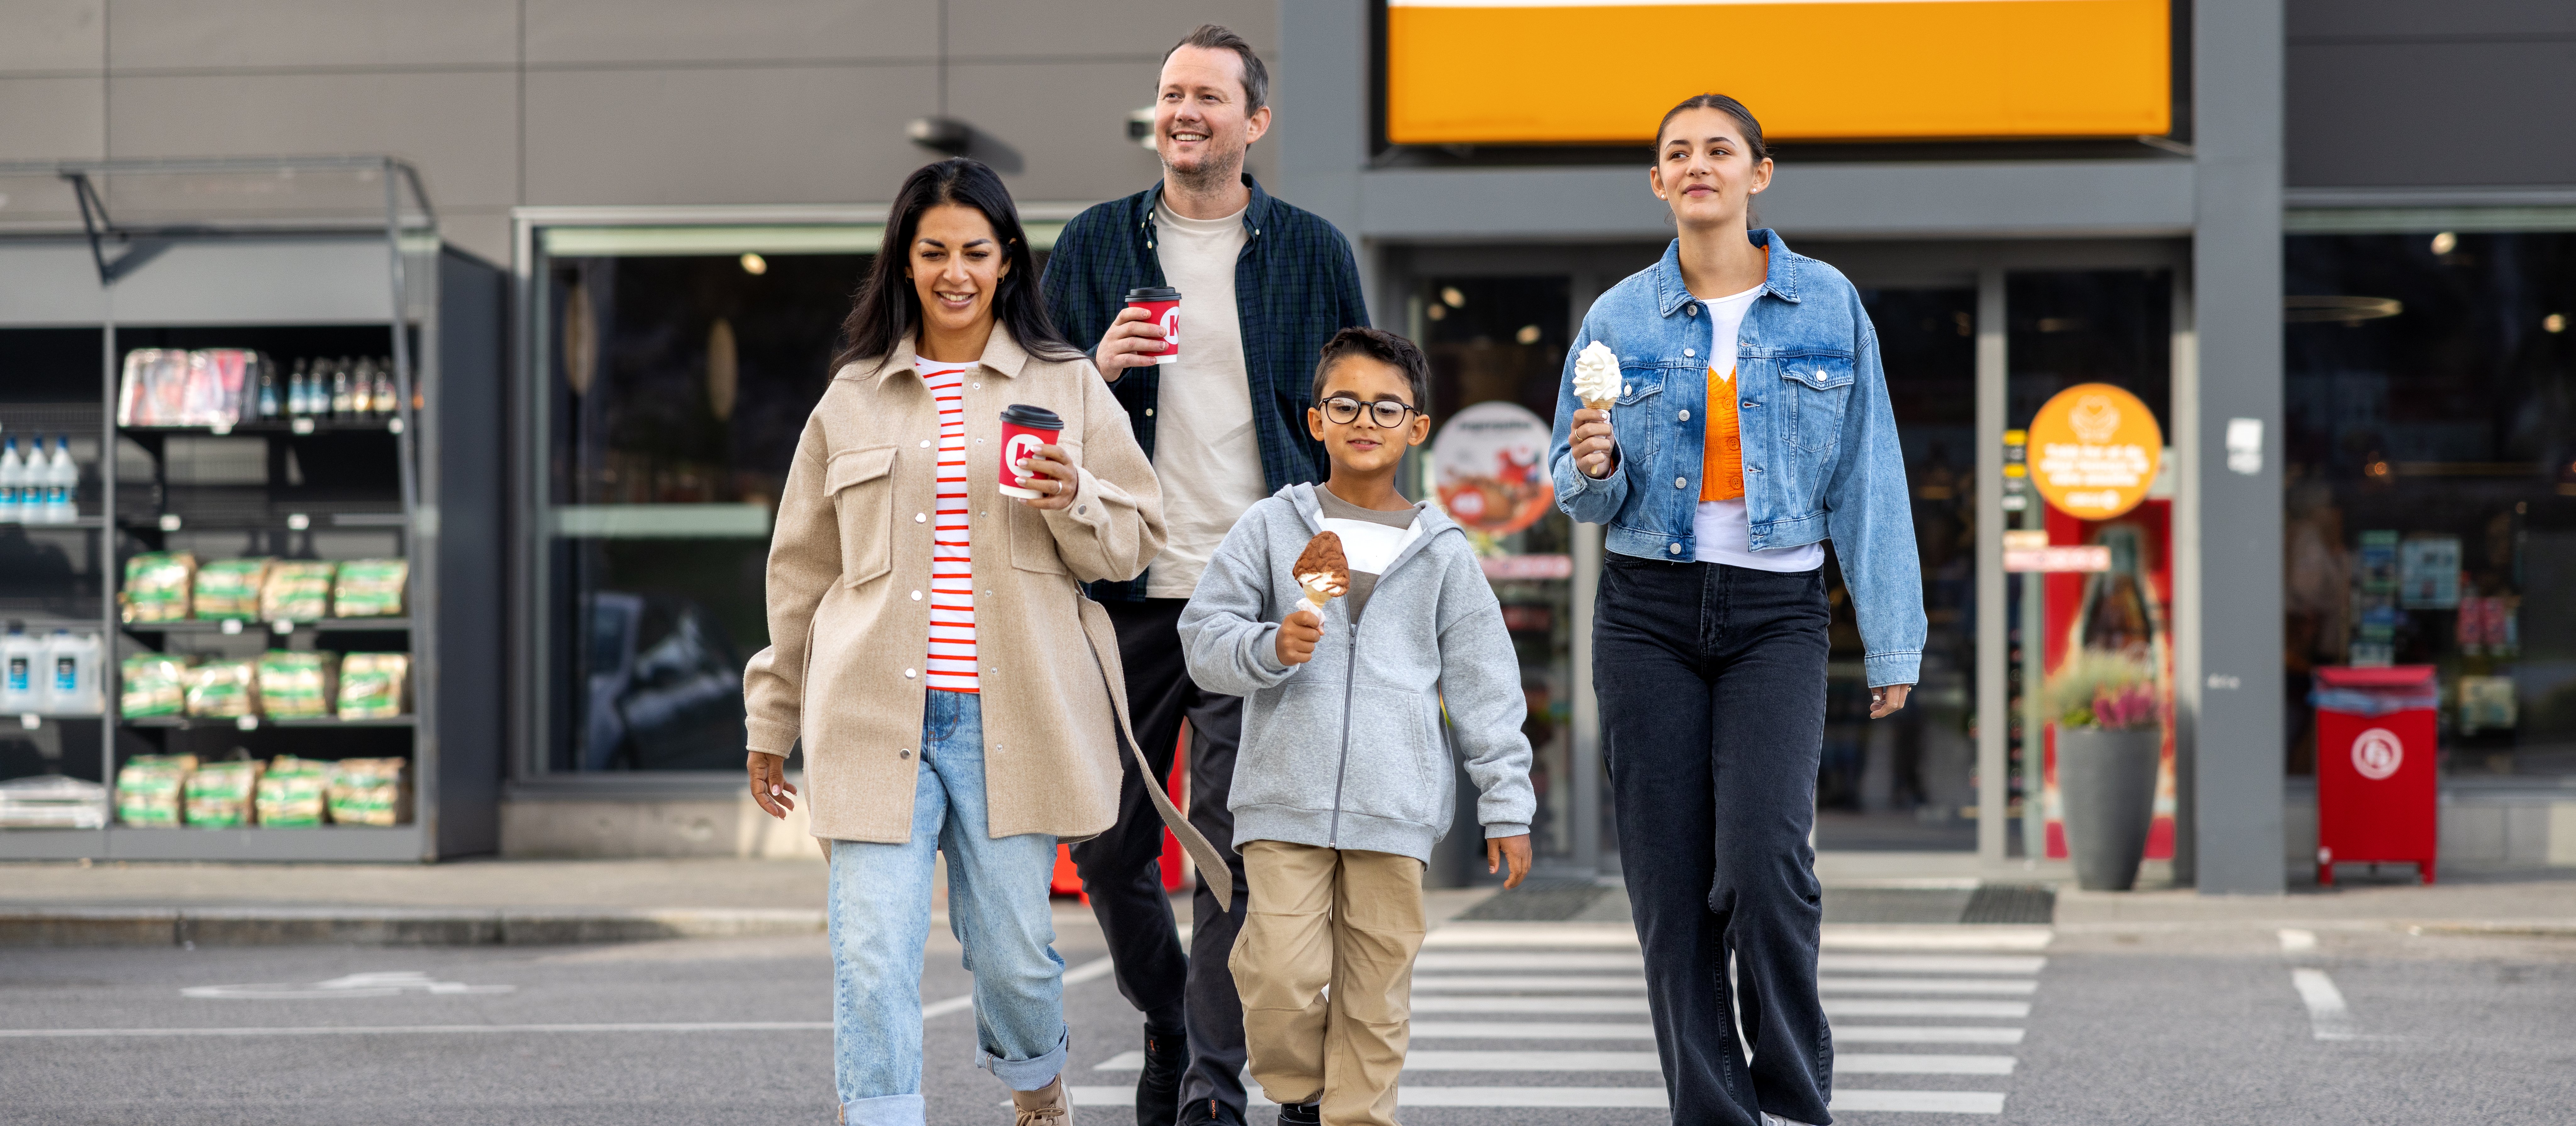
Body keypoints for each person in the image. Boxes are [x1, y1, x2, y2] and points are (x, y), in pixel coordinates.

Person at [744, 157, 1166, 1126]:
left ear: (1008, 260)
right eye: (933, 251)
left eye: (976, 251)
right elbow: (801, 573)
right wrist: (773, 719)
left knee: (1014, 949)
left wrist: (1078, 495)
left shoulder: (1066, 384)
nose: (955, 271)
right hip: (866, 712)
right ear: (904, 261)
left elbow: (1136, 541)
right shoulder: (850, 397)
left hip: (1009, 715)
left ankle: (1036, 1085)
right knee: (872, 950)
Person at [1546, 95, 1926, 1126]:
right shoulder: (1617, 317)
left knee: (1764, 866)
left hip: (1777, 615)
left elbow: (1870, 475)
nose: (1698, 166)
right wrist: (1594, 464)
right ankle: (1715, 1115)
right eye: (1678, 153)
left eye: (1720, 150)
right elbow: (1577, 491)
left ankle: (1796, 1099)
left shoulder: (1827, 304)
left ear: (1761, 173)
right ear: (1658, 182)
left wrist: (1892, 630)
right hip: (1645, 613)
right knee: (1670, 898)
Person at [1039, 23, 1371, 1126]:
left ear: (1254, 121)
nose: (1183, 112)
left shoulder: (1314, 250)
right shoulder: (1092, 246)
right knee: (1107, 844)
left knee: (1230, 856)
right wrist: (1096, 370)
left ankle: (1209, 1097)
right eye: (1170, 94)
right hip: (1119, 588)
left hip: (1251, 598)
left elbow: (1353, 426)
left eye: (1208, 97)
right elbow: (1025, 409)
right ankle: (1174, 1020)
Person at [1178, 327, 1535, 1126]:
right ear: (1315, 421)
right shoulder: (1272, 527)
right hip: (1282, 800)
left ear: (1416, 427)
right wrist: (1268, 646)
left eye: (1386, 407)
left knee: (1376, 1000)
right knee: (1275, 976)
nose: (1364, 419)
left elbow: (1485, 686)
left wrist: (1506, 805)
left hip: (1396, 806)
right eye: (1345, 404)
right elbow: (1203, 641)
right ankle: (1302, 1097)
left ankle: (1352, 1118)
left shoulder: (1444, 550)